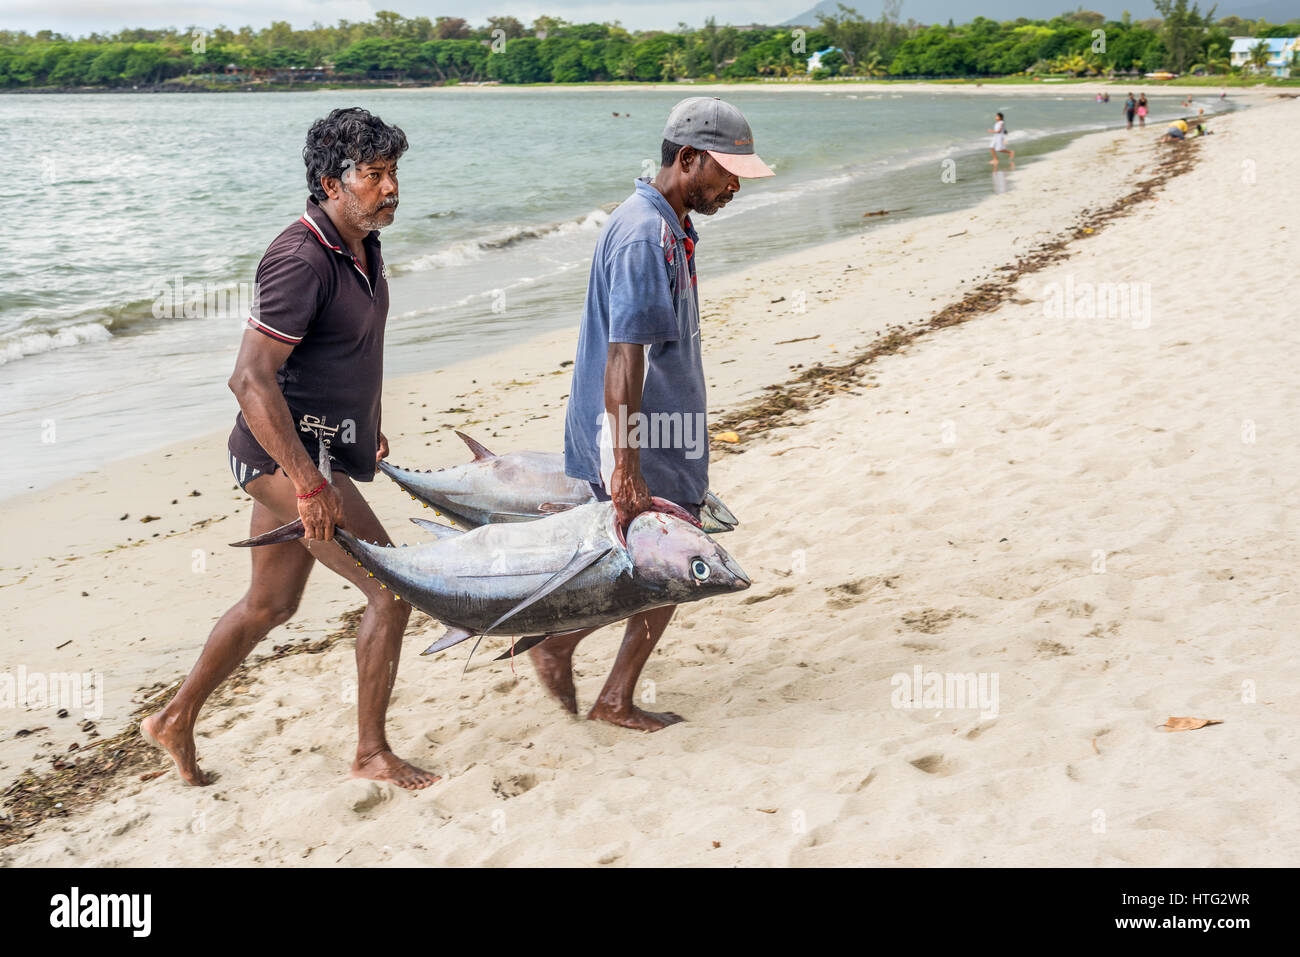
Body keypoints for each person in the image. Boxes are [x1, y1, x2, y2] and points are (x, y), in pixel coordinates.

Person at [142, 108, 440, 790]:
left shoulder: (362, 244)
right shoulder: (300, 258)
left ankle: (174, 717)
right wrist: (309, 486)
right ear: (330, 184)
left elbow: (344, 351)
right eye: (373, 175)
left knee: (271, 605)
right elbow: (250, 378)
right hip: (282, 459)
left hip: (319, 451)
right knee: (391, 591)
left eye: (393, 172)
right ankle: (370, 752)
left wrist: (364, 424)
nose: (389, 188)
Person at [541, 97, 774, 732]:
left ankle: (596, 678)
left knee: (666, 566)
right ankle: (572, 657)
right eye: (727, 173)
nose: (733, 187)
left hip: (666, 436)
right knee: (668, 566)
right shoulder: (645, 233)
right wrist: (626, 466)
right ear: (688, 158)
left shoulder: (668, 224)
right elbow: (624, 357)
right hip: (643, 440)